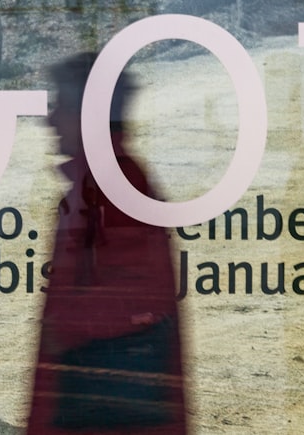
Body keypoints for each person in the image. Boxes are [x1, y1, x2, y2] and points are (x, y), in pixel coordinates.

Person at [26, 53, 187, 434]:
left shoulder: (113, 190)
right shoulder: (100, 185)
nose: (48, 119)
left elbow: (135, 312)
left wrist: (61, 330)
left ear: (88, 117)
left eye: (60, 105)